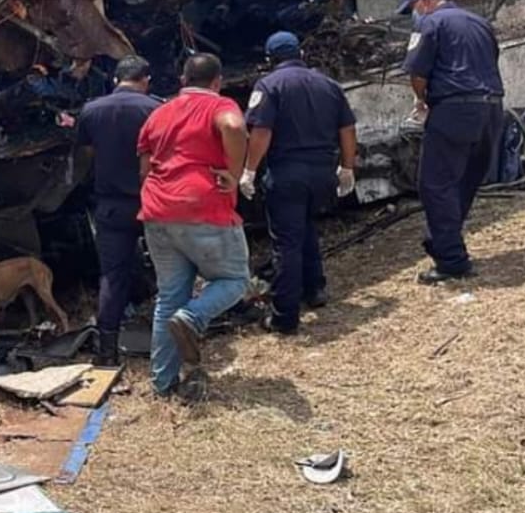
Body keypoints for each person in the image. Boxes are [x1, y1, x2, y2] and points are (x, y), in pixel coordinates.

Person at [136, 53, 251, 400]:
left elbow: (144, 168)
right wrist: (233, 173)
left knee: (168, 298)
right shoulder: (220, 105)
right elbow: (233, 126)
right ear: (217, 82)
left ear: (183, 80)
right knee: (234, 280)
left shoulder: (158, 113)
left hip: (157, 210)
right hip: (203, 207)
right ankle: (194, 316)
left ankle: (162, 383)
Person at [240, 32, 359, 334]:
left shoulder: (269, 86)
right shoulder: (328, 84)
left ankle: (284, 316)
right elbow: (347, 128)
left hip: (288, 173)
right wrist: (347, 167)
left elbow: (261, 131)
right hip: (322, 173)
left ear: (270, 60)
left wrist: (249, 170)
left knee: (286, 243)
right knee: (305, 228)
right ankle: (315, 289)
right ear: (300, 53)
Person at [400, 0, 505, 284]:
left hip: (455, 109)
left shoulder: (429, 24)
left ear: (423, 2)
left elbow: (418, 71)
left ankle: (451, 261)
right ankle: (442, 241)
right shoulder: (479, 22)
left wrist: (421, 102)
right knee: (464, 180)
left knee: (435, 184)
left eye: (412, 9)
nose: (413, 16)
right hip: (492, 108)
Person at [75, 56, 161, 367]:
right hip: (154, 201)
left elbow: (86, 154)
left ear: (115, 80)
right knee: (171, 270)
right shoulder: (156, 109)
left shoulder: (91, 110)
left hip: (111, 205)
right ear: (146, 79)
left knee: (112, 276)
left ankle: (106, 351)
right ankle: (170, 340)